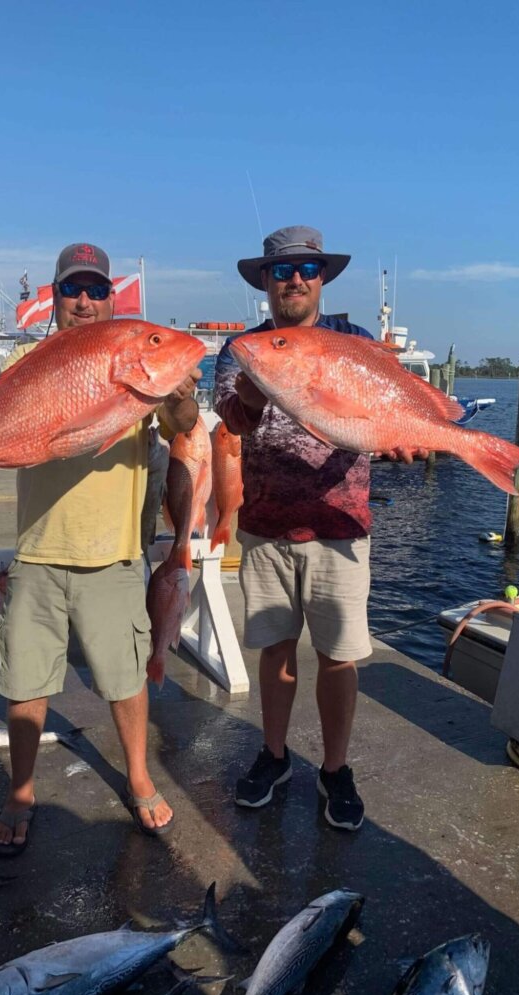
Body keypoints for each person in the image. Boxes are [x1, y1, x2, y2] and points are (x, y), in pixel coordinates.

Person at [0, 242, 200, 852]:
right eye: (71, 289)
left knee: (125, 677)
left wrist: (178, 392)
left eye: (96, 290)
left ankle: (138, 777)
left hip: (113, 555)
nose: (84, 301)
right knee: (27, 680)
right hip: (36, 551)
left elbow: (185, 425)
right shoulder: (29, 359)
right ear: (54, 298)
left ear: (112, 297)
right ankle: (21, 790)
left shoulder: (137, 362)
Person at [214, 225, 425, 831]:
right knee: (276, 649)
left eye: (308, 269)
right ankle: (274, 755)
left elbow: (389, 407)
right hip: (267, 528)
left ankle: (335, 769)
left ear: (323, 277)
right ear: (265, 282)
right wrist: (256, 391)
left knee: (339, 656)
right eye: (282, 271)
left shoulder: (353, 341)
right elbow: (232, 421)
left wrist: (408, 439)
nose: (296, 280)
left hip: (340, 526)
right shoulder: (244, 350)